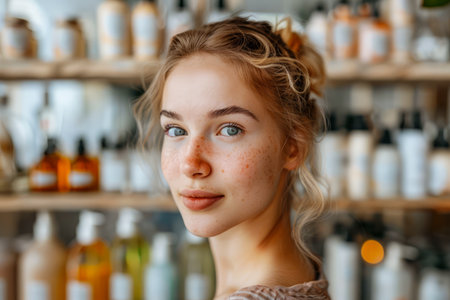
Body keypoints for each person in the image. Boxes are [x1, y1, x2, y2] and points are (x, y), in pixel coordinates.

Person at [134, 17, 330, 300]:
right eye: (176, 130)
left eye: (230, 129)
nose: (191, 164)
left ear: (292, 147)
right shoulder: (302, 274)